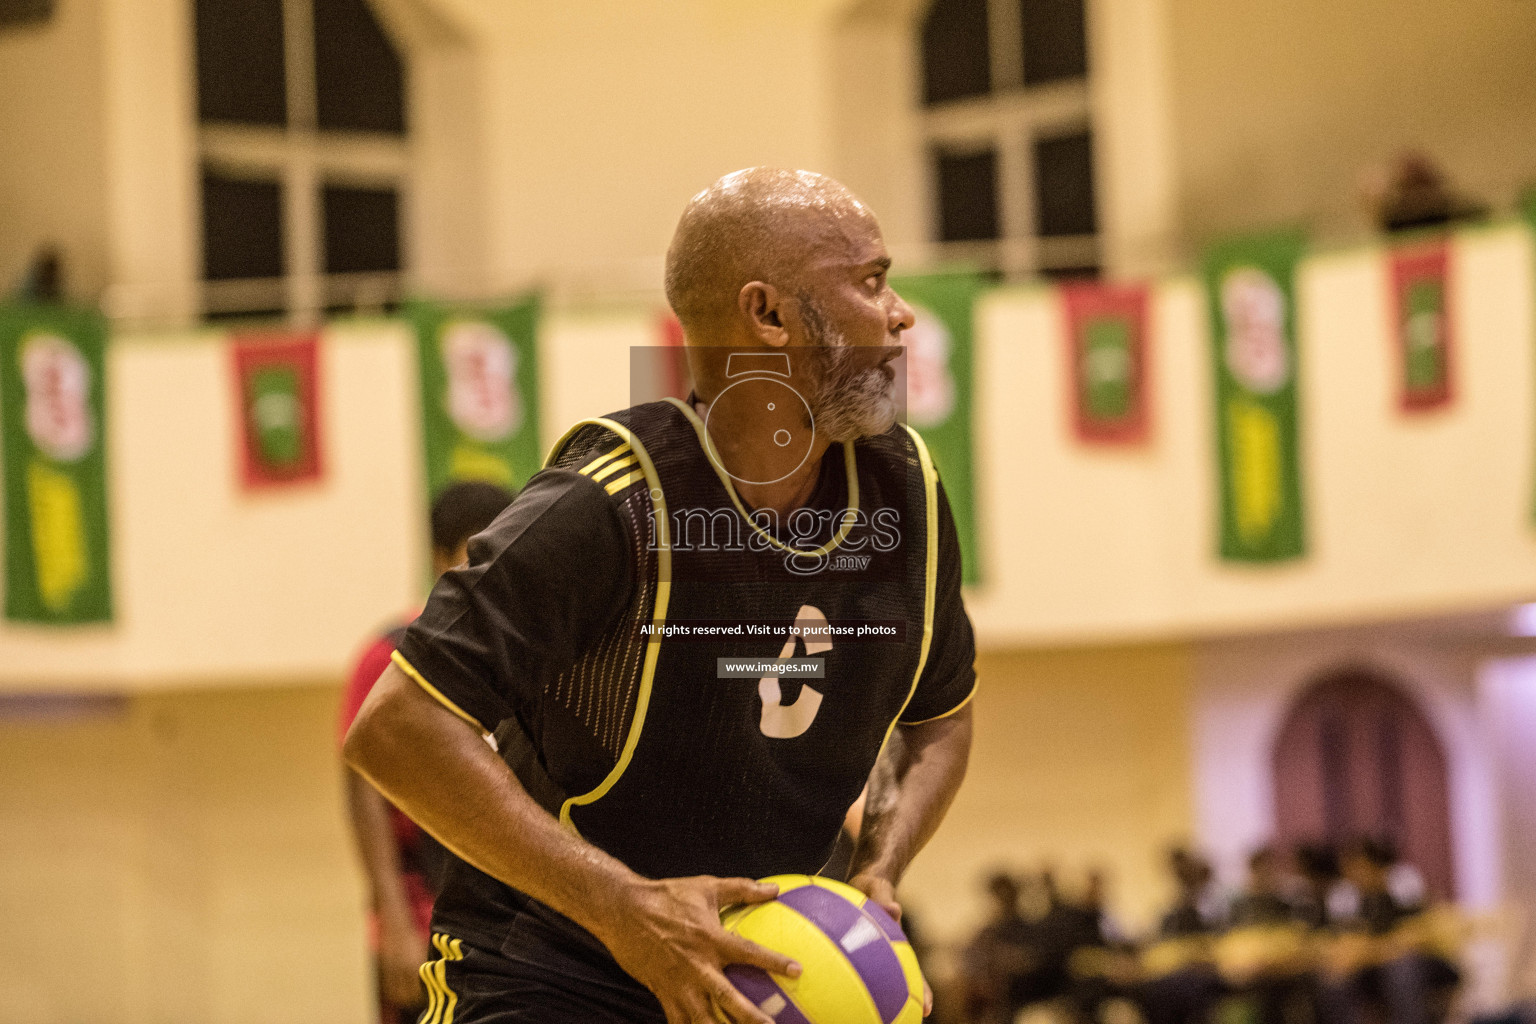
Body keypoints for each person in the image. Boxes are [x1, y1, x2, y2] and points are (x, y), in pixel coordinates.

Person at [343, 167, 977, 1024]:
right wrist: (622, 907)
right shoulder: (609, 502)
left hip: (751, 966)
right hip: (547, 967)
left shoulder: (906, 490)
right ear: (769, 315)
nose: (901, 311)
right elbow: (396, 728)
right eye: (871, 281)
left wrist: (879, 868)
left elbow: (940, 716)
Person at [338, 480, 516, 1024]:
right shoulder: (391, 655)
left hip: (507, 918)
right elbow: (362, 787)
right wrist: (393, 918)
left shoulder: (525, 651)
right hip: (422, 910)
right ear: (442, 560)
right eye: (475, 552)